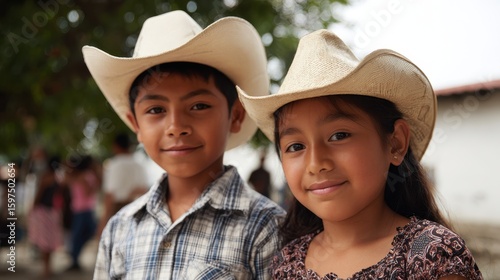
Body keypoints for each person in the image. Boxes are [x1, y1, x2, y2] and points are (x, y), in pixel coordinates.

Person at [237, 30, 483, 279]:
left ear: (395, 144)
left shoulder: (432, 255)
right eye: (296, 146)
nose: (316, 164)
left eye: (339, 135)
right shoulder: (286, 263)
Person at [82, 10, 285, 279]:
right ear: (136, 126)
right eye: (156, 110)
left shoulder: (266, 226)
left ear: (235, 116)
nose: (176, 126)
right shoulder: (120, 227)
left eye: (199, 106)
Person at [97, 132, 148, 237]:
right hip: (137, 210)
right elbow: (145, 190)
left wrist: (102, 223)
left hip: (117, 210)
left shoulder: (114, 165)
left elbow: (109, 195)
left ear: (116, 146)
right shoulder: (138, 165)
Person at [27, 156, 65, 278]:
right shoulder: (57, 178)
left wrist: (32, 207)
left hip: (46, 212)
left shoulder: (48, 177)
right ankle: (47, 268)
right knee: (47, 242)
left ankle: (47, 268)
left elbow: (39, 194)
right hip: (50, 212)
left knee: (45, 243)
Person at [64, 154, 100, 271]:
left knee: (81, 234)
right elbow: (89, 191)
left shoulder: (82, 176)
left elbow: (87, 191)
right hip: (82, 209)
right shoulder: (84, 176)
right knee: (82, 234)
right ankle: (74, 256)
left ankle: (74, 255)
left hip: (83, 209)